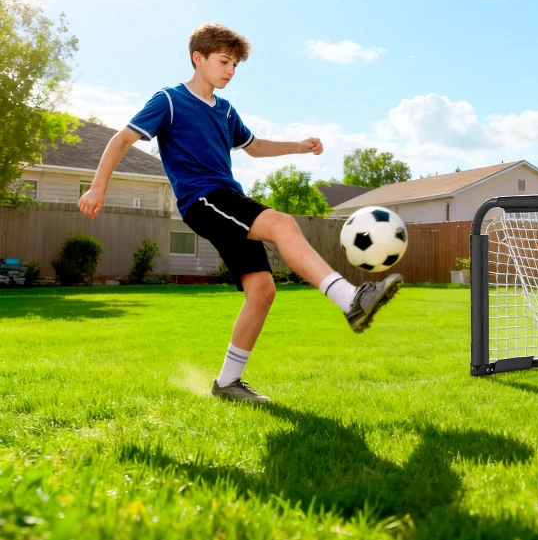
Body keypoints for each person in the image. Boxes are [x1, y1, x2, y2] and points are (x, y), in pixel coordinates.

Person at [78, 23, 402, 405]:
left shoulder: (226, 111)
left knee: (262, 291)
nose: (230, 70)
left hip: (226, 198)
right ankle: (349, 299)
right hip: (203, 199)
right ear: (198, 59)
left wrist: (298, 145)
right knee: (282, 223)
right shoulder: (169, 100)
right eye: (224, 61)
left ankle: (228, 383)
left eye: (235, 64)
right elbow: (123, 138)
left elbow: (254, 146)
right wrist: (98, 186)